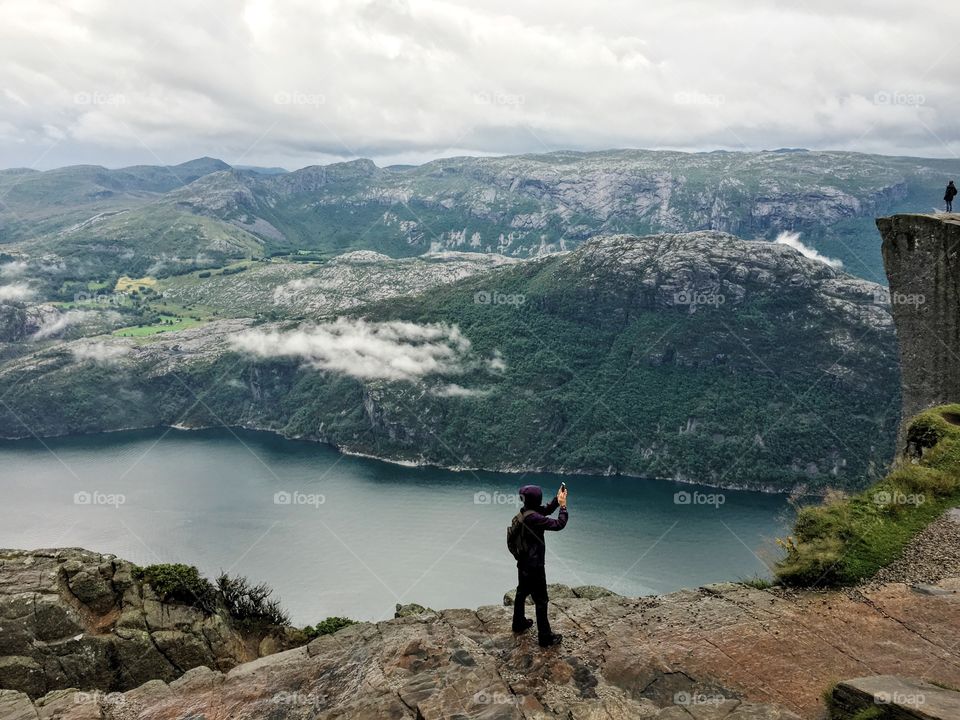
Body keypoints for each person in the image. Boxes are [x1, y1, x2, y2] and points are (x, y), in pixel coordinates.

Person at [511, 483, 568, 647]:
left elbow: (546, 510)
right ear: (537, 499)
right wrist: (563, 507)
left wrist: (557, 500)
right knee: (541, 600)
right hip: (534, 565)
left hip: (523, 563)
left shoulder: (526, 512)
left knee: (521, 592)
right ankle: (545, 637)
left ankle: (518, 623)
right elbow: (559, 524)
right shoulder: (534, 518)